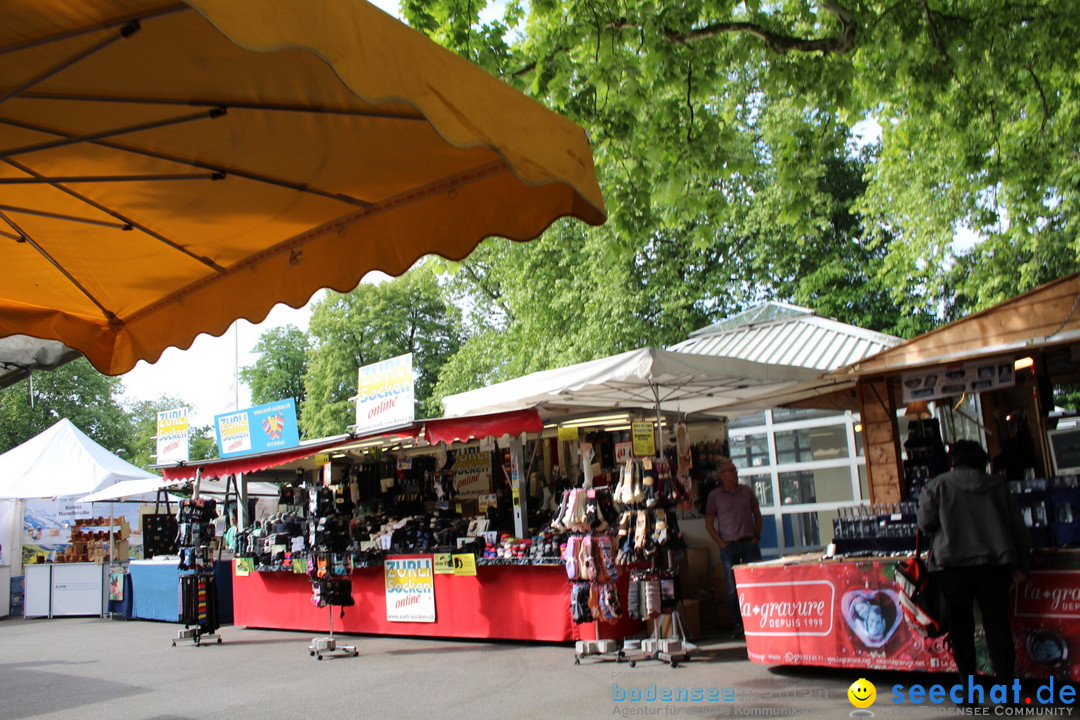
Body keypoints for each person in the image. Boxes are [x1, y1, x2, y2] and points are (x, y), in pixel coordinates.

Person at [917, 438, 1032, 686]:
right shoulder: (1000, 487)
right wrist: (1023, 567)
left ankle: (969, 693)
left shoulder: (937, 486)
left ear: (953, 462)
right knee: (998, 628)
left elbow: (925, 523)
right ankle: (1008, 695)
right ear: (982, 462)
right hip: (994, 567)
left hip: (952, 568)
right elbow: (1019, 530)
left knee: (961, 630)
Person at [705, 458, 763, 638]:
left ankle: (759, 620)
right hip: (729, 547)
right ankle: (739, 623)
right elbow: (709, 524)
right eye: (731, 470)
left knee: (756, 583)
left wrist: (756, 537)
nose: (735, 473)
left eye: (735, 470)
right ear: (722, 475)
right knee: (733, 588)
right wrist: (722, 543)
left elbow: (757, 514)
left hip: (748, 544)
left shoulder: (746, 491)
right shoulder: (715, 496)